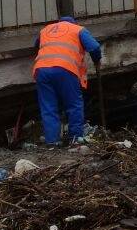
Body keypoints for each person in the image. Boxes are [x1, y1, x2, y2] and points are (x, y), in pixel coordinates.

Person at [33, 17, 101, 146]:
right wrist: (97, 60)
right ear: (73, 23)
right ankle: (75, 138)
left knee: (48, 107)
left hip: (41, 70)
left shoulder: (45, 30)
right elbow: (95, 47)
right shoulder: (78, 29)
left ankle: (52, 141)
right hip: (65, 68)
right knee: (73, 104)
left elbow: (36, 46)